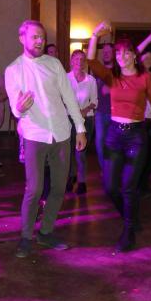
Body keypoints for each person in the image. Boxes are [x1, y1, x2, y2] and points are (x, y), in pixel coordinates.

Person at [88, 22, 151, 252]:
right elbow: (91, 61)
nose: (121, 57)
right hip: (113, 135)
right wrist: (95, 35)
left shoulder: (145, 78)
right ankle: (130, 216)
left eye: (126, 52)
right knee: (110, 187)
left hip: (136, 137)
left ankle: (128, 231)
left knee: (129, 187)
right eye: (118, 53)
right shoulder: (111, 76)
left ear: (134, 55)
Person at [5, 20, 86, 258]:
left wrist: (80, 128)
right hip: (35, 135)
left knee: (59, 187)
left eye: (42, 37)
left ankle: (46, 231)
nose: (40, 41)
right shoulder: (14, 70)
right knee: (35, 189)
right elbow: (15, 108)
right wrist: (19, 108)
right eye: (35, 37)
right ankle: (25, 236)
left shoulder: (54, 64)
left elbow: (69, 97)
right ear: (22, 38)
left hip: (61, 133)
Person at [66, 49, 97, 195]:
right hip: (68, 119)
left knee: (81, 152)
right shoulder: (65, 78)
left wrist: (84, 110)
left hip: (86, 119)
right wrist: (73, 112)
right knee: (69, 151)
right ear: (71, 61)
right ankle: (71, 176)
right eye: (76, 59)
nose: (79, 62)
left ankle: (82, 181)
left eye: (82, 59)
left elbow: (95, 101)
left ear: (85, 63)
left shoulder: (91, 80)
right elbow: (61, 99)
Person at [135, 31, 151, 196]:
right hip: (138, 122)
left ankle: (143, 185)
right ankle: (136, 186)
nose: (148, 61)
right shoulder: (135, 76)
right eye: (145, 58)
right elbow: (136, 51)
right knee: (140, 157)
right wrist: (150, 38)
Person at [94, 41, 115, 175]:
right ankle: (105, 170)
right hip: (100, 113)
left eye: (109, 51)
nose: (106, 54)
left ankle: (113, 170)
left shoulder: (119, 70)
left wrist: (112, 88)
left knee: (113, 144)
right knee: (100, 143)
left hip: (116, 114)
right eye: (104, 52)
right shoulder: (98, 70)